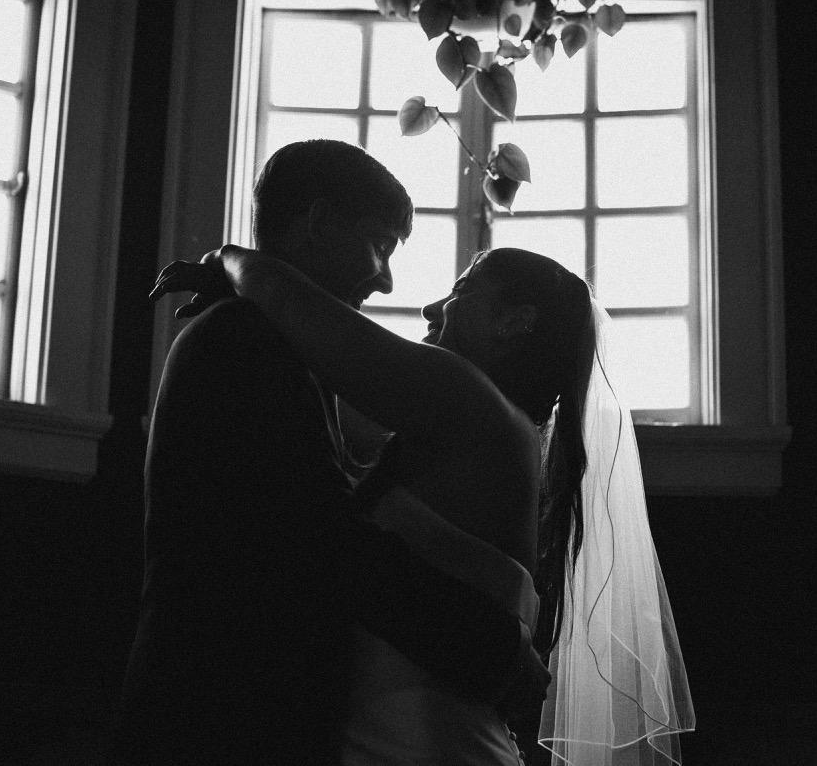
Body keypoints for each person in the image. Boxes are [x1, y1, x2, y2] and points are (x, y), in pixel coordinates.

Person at [153, 243, 696, 764]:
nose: (431, 307)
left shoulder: (476, 404)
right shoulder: (475, 430)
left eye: (460, 290)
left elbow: (300, 310)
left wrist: (225, 258)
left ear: (514, 321)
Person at [113, 140, 548, 765]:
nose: (386, 279)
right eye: (380, 245)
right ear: (318, 223)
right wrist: (495, 651)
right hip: (217, 719)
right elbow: (320, 542)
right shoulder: (240, 338)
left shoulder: (277, 343)